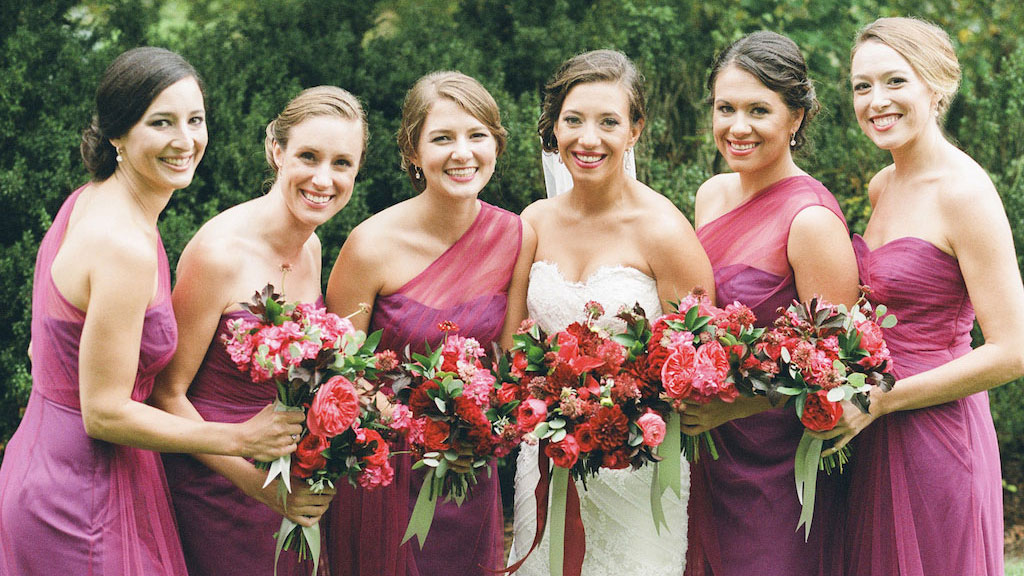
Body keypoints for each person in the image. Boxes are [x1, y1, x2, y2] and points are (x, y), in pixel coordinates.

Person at [0, 47, 302, 576]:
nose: (185, 141)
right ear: (117, 134)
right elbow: (103, 412)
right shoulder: (123, 245)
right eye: (161, 123)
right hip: (80, 496)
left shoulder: (91, 200)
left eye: (195, 120)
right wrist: (237, 437)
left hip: (51, 459)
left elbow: (40, 347)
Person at [825, 17, 1024, 576]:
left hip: (936, 432)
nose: (876, 101)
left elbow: (1013, 350)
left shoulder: (965, 193)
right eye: (862, 86)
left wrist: (884, 400)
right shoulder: (882, 185)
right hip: (871, 428)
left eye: (895, 81)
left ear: (936, 87)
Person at [508, 49, 713, 576]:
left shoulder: (664, 230)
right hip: (546, 457)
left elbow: (697, 360)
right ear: (554, 127)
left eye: (608, 122)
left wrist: (619, 413)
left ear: (635, 129)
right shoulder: (534, 222)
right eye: (573, 120)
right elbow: (512, 345)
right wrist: (550, 405)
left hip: (637, 466)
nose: (588, 139)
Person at [324, 71, 535, 576]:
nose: (462, 152)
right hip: (383, 473)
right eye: (442, 138)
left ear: (496, 145)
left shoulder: (517, 236)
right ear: (413, 152)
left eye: (476, 135)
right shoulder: (369, 245)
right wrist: (416, 434)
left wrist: (481, 434)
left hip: (468, 471)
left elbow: (510, 366)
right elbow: (340, 373)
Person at [150, 85, 367, 575]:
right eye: (308, 156)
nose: (324, 178)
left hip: (289, 481)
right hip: (216, 487)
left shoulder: (311, 247)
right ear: (276, 151)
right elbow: (166, 394)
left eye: (342, 163)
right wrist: (257, 485)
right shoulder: (219, 253)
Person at [683, 31, 860, 576]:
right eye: (725, 108)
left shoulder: (811, 221)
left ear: (796, 117)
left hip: (779, 466)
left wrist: (734, 406)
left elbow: (835, 368)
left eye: (758, 110)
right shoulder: (711, 194)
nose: (737, 127)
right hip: (707, 451)